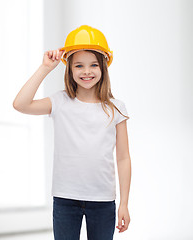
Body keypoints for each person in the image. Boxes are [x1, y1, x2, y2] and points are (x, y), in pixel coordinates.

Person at [13, 25, 131, 240]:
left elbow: (123, 158)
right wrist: (45, 68)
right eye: (79, 65)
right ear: (69, 69)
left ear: (104, 67)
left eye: (94, 65)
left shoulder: (116, 108)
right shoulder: (60, 102)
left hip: (103, 200)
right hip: (65, 198)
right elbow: (21, 104)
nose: (87, 71)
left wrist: (124, 203)